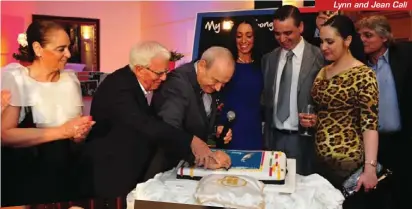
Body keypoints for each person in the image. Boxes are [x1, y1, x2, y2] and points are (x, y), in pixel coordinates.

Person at [80, 42, 230, 199]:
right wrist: (191, 141)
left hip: (124, 166)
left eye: (166, 72)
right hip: (110, 171)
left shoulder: (131, 81)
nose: (164, 78)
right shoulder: (119, 87)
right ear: (139, 69)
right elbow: (146, 125)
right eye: (159, 73)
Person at [1, 21, 94, 206]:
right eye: (61, 49)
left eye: (69, 47)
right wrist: (63, 132)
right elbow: (5, 135)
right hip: (25, 175)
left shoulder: (70, 81)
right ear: (38, 48)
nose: (68, 54)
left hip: (66, 173)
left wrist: (79, 134)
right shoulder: (17, 79)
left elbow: (75, 132)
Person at [301, 15, 378, 209]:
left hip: (348, 168)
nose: (324, 47)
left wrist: (370, 168)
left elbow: (370, 124)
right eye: (322, 42)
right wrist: (314, 120)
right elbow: (330, 111)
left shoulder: (363, 74)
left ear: (348, 41)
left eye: (330, 42)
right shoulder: (323, 71)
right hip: (318, 164)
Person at [356, 15, 412, 209]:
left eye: (368, 35)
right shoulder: (358, 65)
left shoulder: (406, 55)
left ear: (385, 37)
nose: (362, 39)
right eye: (360, 35)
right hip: (371, 144)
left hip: (403, 141)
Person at [150, 46, 234, 173]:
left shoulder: (208, 83)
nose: (218, 88)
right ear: (202, 66)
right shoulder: (177, 84)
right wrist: (204, 158)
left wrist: (216, 131)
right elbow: (169, 130)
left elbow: (196, 120)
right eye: (216, 81)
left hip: (187, 168)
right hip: (165, 169)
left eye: (223, 83)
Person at [262, 5, 324, 175]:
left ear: (301, 27)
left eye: (288, 33)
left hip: (304, 141)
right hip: (273, 140)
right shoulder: (269, 59)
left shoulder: (319, 57)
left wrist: (318, 118)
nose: (282, 39)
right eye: (277, 33)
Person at [216, 18, 264, 150]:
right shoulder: (226, 64)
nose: (243, 41)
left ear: (255, 38)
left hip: (254, 128)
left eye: (249, 36)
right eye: (239, 36)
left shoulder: (262, 64)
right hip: (229, 129)